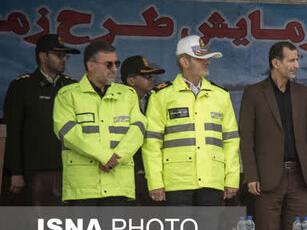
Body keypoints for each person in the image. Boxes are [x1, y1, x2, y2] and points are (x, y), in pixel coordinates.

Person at [239, 41, 307, 230]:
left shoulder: (304, 93)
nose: (296, 65)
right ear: (276, 63)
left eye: (297, 60)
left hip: (299, 176)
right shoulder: (254, 93)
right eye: (291, 60)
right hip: (267, 178)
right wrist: (251, 176)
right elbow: (246, 138)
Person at [142, 35, 239, 206]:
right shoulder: (162, 95)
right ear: (184, 62)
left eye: (207, 58)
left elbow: (231, 140)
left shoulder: (221, 95)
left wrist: (231, 178)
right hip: (176, 182)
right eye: (200, 58)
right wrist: (155, 181)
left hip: (212, 180)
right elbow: (152, 142)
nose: (207, 62)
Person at [52, 41, 146, 205]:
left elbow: (138, 129)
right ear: (91, 65)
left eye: (116, 63)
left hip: (118, 184)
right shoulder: (67, 95)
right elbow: (68, 132)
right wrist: (104, 156)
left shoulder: (127, 94)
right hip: (83, 187)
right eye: (108, 64)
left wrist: (116, 158)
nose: (114, 69)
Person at [3, 34, 79, 205]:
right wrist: (15, 171)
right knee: (34, 226)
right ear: (43, 56)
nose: (64, 59)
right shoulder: (22, 86)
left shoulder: (72, 86)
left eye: (66, 55)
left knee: (68, 228)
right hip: (33, 171)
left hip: (69, 169)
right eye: (58, 55)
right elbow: (13, 132)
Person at [120, 55, 165, 205]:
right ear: (131, 80)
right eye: (146, 76)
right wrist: (138, 167)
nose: (151, 79)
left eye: (151, 75)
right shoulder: (117, 104)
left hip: (153, 174)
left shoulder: (156, 100)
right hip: (125, 172)